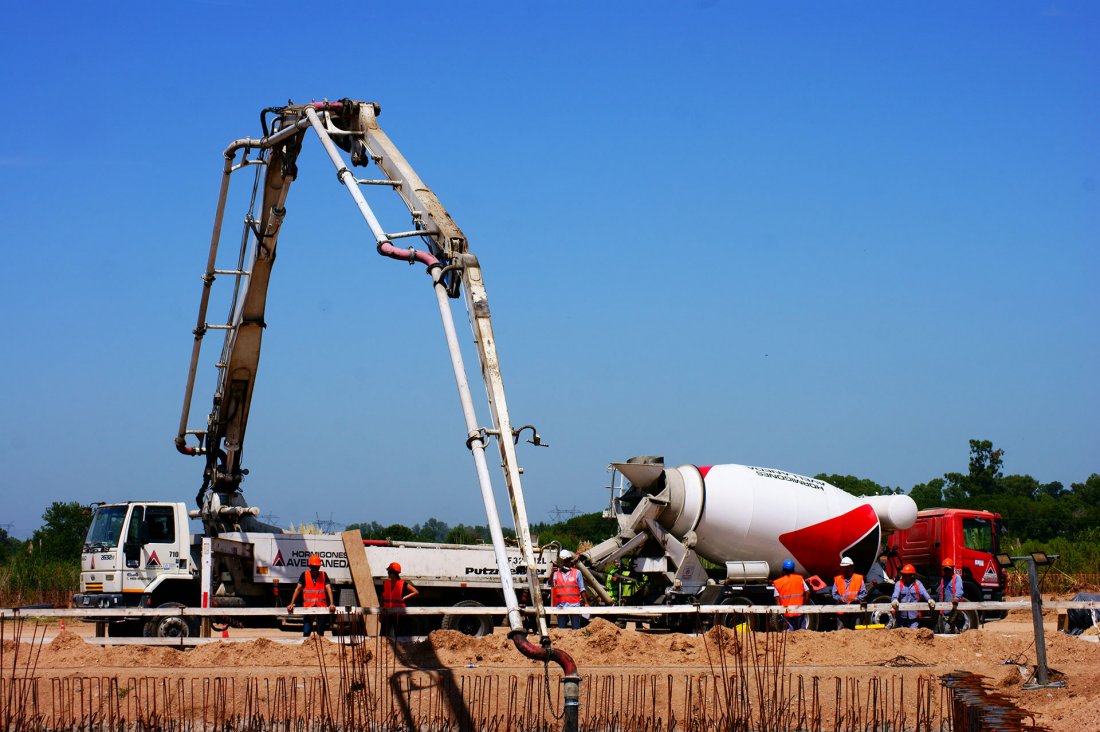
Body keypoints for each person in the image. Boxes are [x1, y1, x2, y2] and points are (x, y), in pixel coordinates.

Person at [286, 554, 336, 637]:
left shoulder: (324, 575)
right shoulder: (304, 575)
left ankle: (320, 648)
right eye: (313, 567)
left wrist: (332, 603)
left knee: (320, 631)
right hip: (308, 607)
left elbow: (328, 589)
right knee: (306, 631)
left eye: (317, 567)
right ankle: (306, 647)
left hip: (321, 607)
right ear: (309, 566)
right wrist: (292, 603)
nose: (315, 569)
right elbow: (298, 589)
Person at [550, 549, 587, 630]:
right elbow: (550, 584)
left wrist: (586, 603)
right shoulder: (556, 573)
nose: (566, 563)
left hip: (574, 605)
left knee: (576, 628)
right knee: (562, 629)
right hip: (561, 605)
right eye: (564, 561)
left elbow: (582, 589)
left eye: (567, 561)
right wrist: (552, 573)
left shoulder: (577, 573)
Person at [890, 563, 934, 629]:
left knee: (913, 634)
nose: (904, 577)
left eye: (907, 575)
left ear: (912, 576)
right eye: (904, 575)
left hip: (913, 617)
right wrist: (894, 600)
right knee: (901, 636)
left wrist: (929, 599)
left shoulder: (917, 583)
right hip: (901, 617)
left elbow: (924, 592)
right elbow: (895, 594)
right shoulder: (899, 584)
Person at [381, 562, 419, 637]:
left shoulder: (403, 584)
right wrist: (380, 613)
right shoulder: (385, 583)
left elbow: (416, 592)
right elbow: (383, 598)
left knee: (399, 636)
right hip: (387, 613)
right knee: (383, 635)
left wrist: (405, 597)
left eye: (389, 572)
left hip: (398, 614)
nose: (388, 573)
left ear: (393, 573)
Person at [772, 558, 810, 631]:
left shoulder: (778, 582)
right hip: (799, 611)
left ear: (783, 570)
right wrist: (805, 604)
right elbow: (808, 592)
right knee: (802, 632)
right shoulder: (799, 579)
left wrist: (780, 612)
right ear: (793, 569)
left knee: (789, 634)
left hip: (787, 613)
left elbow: (777, 599)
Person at [831, 556, 867, 629]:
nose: (845, 569)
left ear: (851, 568)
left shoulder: (858, 578)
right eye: (843, 567)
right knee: (841, 631)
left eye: (847, 567)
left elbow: (864, 593)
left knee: (856, 629)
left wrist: (855, 599)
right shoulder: (838, 579)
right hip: (842, 609)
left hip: (855, 609)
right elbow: (834, 594)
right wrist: (841, 598)